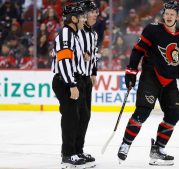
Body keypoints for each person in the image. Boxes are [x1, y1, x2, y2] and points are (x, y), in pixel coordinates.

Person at [117, 0, 179, 166]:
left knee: (174, 115)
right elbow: (137, 51)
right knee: (142, 112)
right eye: (166, 13)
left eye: (172, 14)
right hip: (150, 77)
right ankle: (126, 144)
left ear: (178, 17)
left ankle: (158, 149)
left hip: (170, 81)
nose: (168, 16)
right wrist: (131, 70)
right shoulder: (152, 30)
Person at [51, 3, 87, 169]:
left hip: (72, 80)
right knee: (71, 119)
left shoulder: (75, 34)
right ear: (73, 19)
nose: (84, 19)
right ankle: (67, 155)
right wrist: (72, 84)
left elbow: (71, 58)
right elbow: (64, 61)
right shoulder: (67, 35)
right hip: (66, 82)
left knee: (78, 117)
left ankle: (75, 151)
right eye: (82, 16)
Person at [75, 0, 101, 167]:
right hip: (75, 78)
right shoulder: (75, 33)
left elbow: (93, 54)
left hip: (86, 79)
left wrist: (93, 72)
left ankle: (79, 149)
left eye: (95, 11)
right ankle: (71, 152)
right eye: (92, 11)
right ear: (83, 15)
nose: (95, 14)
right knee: (75, 117)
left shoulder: (93, 34)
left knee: (85, 116)